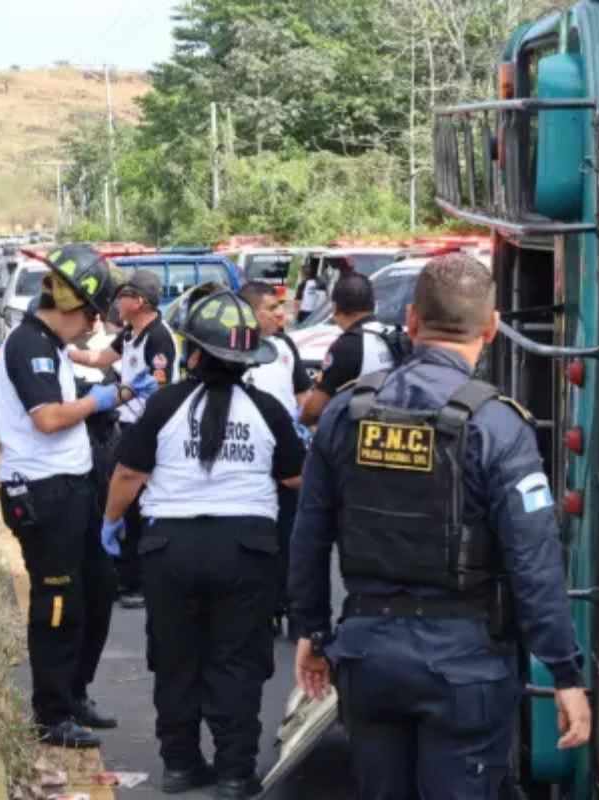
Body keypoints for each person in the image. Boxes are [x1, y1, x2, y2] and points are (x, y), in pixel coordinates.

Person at [289, 253, 592, 800]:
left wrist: (311, 631)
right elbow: (534, 560)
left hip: (368, 658)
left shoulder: (346, 412)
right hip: (464, 667)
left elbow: (309, 532)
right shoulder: (497, 425)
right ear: (492, 327)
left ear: (410, 321)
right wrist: (564, 673)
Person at [104, 290, 305, 798]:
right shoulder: (268, 411)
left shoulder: (165, 405)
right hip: (246, 550)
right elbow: (296, 480)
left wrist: (109, 524)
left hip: (170, 549)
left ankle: (180, 764)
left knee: (175, 657)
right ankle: (235, 772)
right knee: (237, 662)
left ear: (193, 352)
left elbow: (129, 472)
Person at [0, 245, 157, 748]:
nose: (93, 326)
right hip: (44, 492)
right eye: (92, 314)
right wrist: (98, 400)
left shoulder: (51, 345)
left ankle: (74, 692)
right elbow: (47, 418)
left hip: (74, 486)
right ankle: (52, 712)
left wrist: (119, 396)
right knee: (59, 600)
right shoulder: (29, 346)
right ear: (73, 304)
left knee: (97, 591)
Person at [69, 269, 178, 609]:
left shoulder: (159, 338)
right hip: (124, 428)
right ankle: (124, 573)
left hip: (147, 431)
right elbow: (101, 359)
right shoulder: (131, 333)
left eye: (122, 297)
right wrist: (67, 351)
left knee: (137, 508)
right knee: (117, 500)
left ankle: (141, 582)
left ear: (140, 301)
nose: (117, 303)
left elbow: (160, 391)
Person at [239, 280, 310, 632]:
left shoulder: (284, 347)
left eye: (280, 307)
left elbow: (302, 394)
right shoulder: (234, 352)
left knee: (290, 534)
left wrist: (304, 428)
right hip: (248, 458)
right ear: (250, 314)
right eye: (271, 308)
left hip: (285, 454)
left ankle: (291, 605)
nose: (281, 314)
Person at [298, 272, 394, 426]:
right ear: (373, 304)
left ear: (335, 307)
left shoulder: (348, 345)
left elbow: (313, 410)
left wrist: (300, 420)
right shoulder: (391, 335)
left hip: (354, 434)